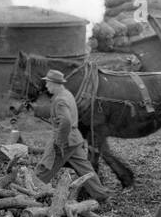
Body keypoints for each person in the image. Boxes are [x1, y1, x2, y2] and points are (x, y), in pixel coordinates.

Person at [36, 68, 110, 200]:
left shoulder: (60, 100)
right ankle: (101, 195)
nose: (46, 86)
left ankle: (32, 192)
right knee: (85, 170)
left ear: (54, 84)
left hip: (65, 141)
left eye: (48, 83)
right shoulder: (67, 94)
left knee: (45, 167)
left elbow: (66, 121)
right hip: (75, 139)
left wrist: (59, 142)